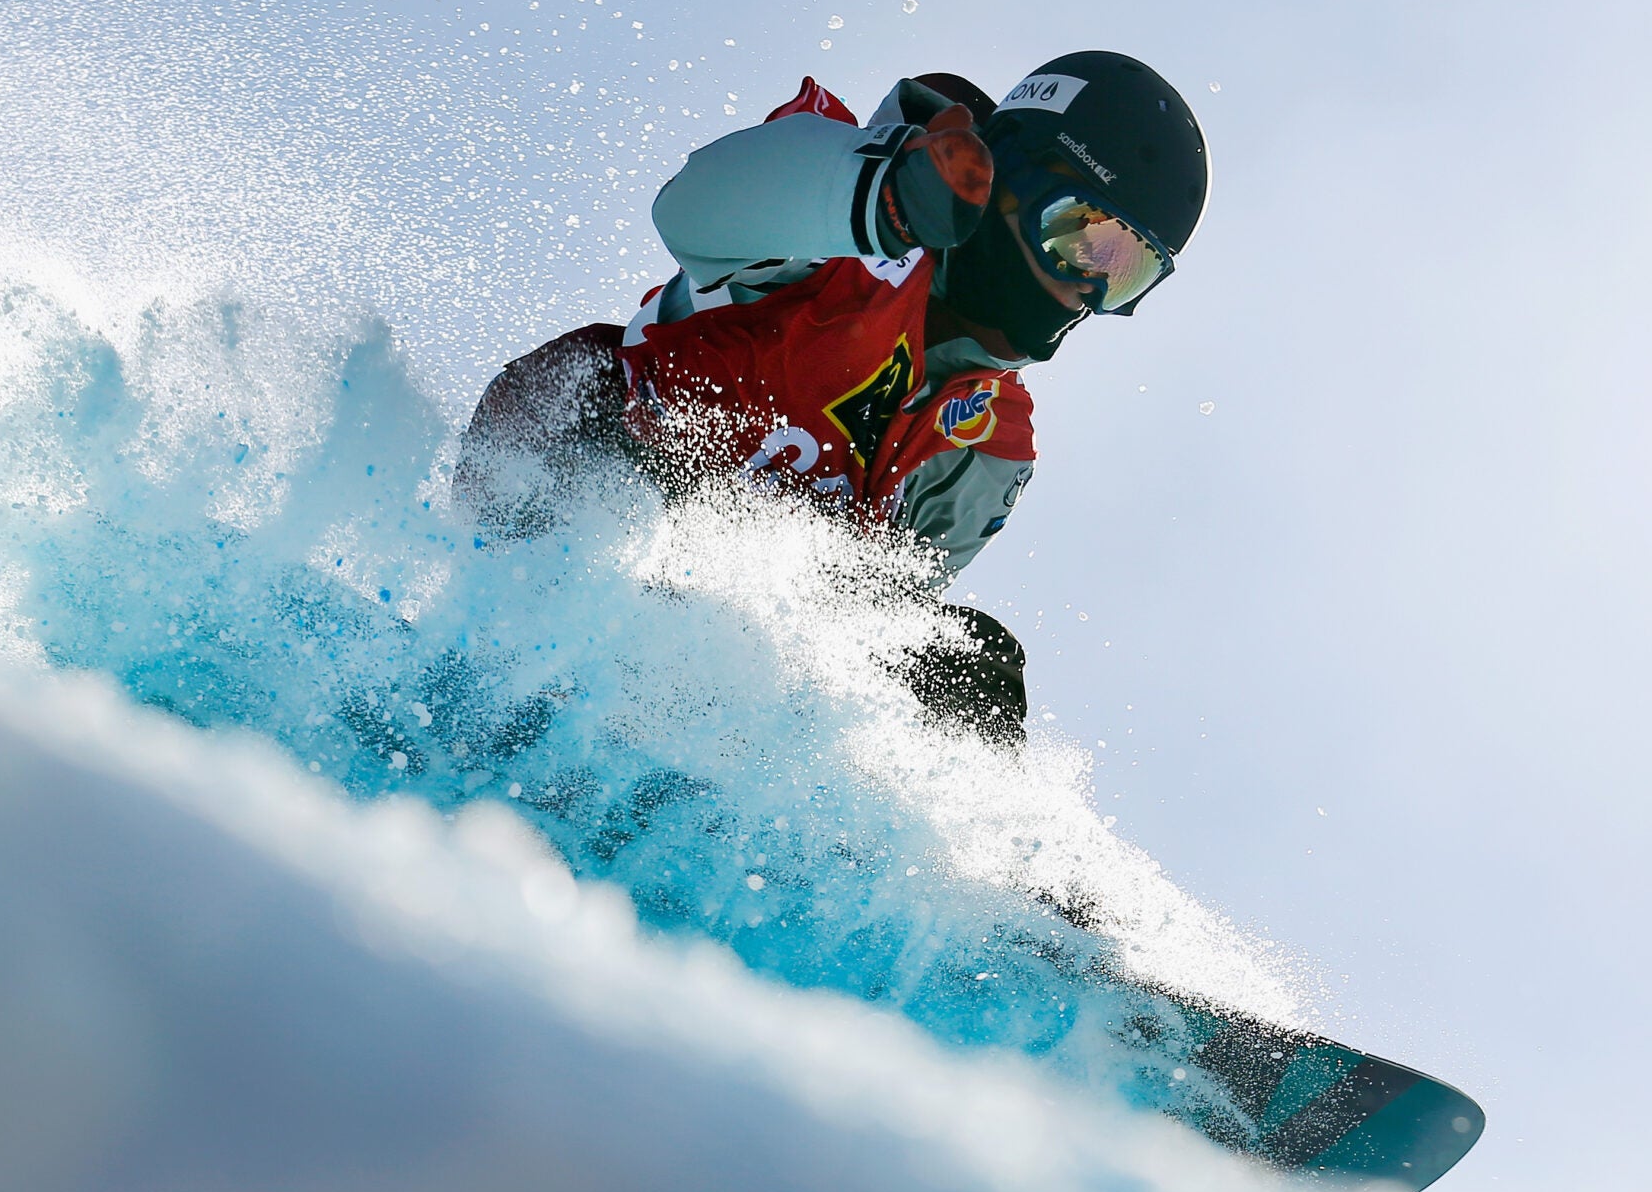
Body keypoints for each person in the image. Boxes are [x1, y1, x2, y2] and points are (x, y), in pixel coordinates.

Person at [458, 51, 1211, 743]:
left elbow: (879, 615)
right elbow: (693, 208)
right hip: (577, 514)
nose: (1084, 285)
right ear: (1011, 172)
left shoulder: (989, 447)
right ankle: (500, 674)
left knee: (965, 665)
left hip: (709, 667)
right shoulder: (839, 236)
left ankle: (932, 867)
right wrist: (884, 193)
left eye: (1123, 272)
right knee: (603, 423)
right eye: (1080, 235)